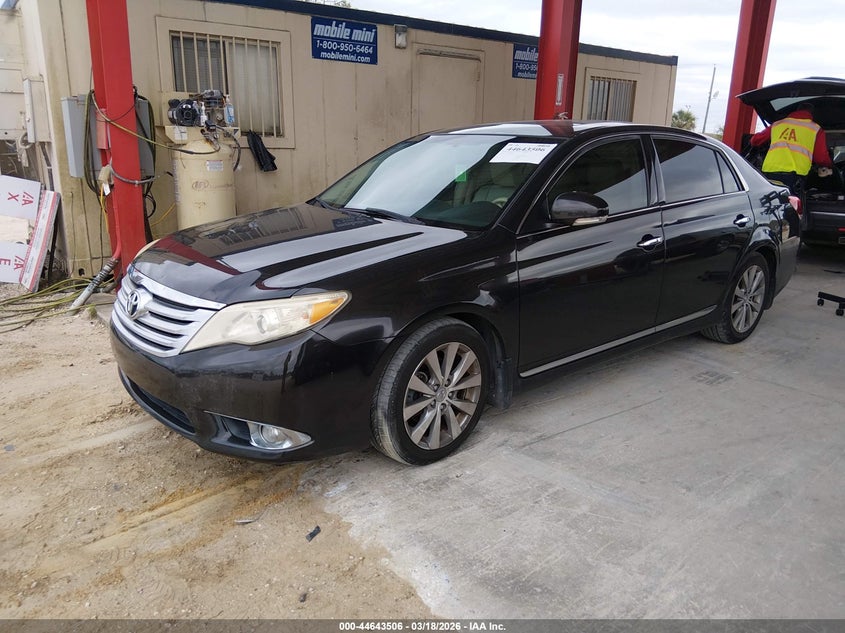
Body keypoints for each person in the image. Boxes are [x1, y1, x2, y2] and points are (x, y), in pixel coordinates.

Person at [750, 102, 834, 197]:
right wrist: (829, 166)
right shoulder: (815, 129)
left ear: (796, 111)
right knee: (790, 207)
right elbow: (820, 157)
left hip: (768, 174)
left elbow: (755, 141)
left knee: (770, 206)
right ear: (811, 114)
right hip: (793, 177)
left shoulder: (778, 124)